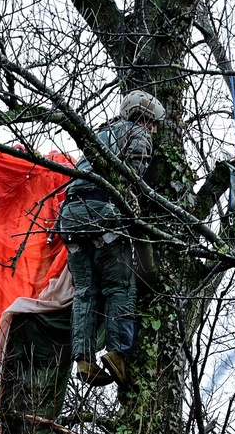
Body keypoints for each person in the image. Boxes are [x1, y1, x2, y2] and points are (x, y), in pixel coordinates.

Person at [55, 90, 166, 387]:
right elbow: (131, 178)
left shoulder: (99, 136)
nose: (155, 130)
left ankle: (83, 359)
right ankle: (118, 352)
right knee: (120, 285)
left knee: (85, 292)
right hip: (102, 211)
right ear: (146, 119)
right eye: (154, 124)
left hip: (70, 217)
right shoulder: (137, 134)